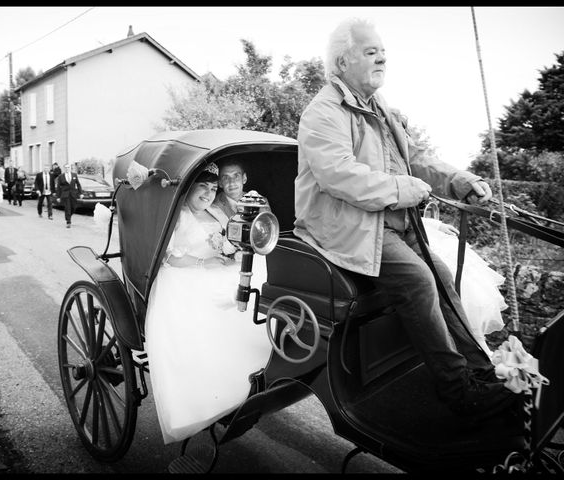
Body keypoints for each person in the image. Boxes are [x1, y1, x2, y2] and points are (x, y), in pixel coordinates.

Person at [294, 17, 520, 419]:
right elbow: (338, 176)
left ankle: (481, 373)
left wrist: (459, 180)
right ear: (342, 62)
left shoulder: (379, 109)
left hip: (391, 224)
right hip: (347, 227)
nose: (382, 57)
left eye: (383, 51)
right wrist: (403, 190)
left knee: (443, 278)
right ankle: (458, 391)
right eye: (371, 51)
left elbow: (413, 158)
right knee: (418, 280)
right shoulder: (322, 112)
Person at [145, 162, 271, 444]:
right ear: (190, 187)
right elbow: (169, 257)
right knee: (225, 302)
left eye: (214, 188)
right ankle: (221, 386)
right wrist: (205, 262)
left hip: (212, 269)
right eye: (203, 186)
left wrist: (227, 253)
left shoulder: (214, 214)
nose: (209, 193)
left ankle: (256, 371)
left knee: (251, 285)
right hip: (182, 275)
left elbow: (223, 243)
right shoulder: (178, 215)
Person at [421, 213, 506, 357]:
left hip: (421, 227)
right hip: (409, 233)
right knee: (449, 271)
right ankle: (468, 344)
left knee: (466, 275)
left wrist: (437, 225)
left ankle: (477, 340)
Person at [55, 163, 82, 228]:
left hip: (73, 194)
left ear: (70, 168)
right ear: (64, 169)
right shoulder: (61, 176)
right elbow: (58, 187)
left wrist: (80, 193)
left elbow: (78, 184)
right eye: (66, 168)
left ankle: (68, 216)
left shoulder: (74, 175)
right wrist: (58, 197)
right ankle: (68, 222)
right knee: (68, 208)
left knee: (73, 207)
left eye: (68, 167)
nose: (67, 169)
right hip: (65, 195)